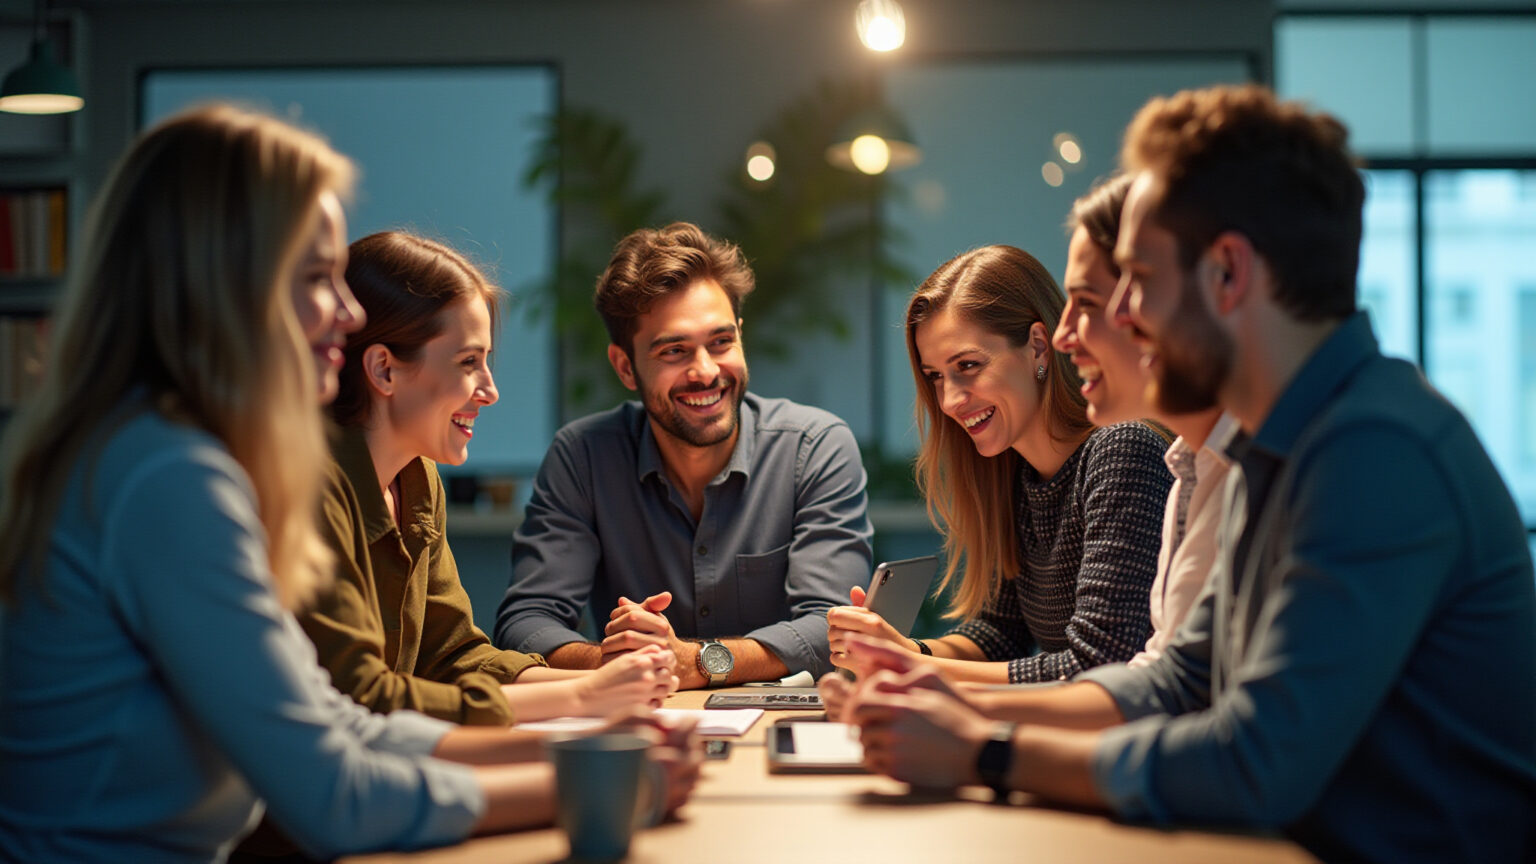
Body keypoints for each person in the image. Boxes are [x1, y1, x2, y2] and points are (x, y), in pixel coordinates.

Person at [840, 85, 1536, 863]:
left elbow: (1255, 762)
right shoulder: (1264, 452)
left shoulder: (1374, 448)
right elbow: (1176, 681)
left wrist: (986, 751)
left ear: (1228, 274)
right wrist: (953, 707)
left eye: (1137, 278)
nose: (1122, 320)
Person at [0, 105, 697, 863]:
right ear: (222, 285)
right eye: (314, 277)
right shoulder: (169, 477)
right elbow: (334, 792)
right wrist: (609, 783)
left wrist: (598, 754)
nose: (351, 311)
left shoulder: (161, 453)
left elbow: (345, 725)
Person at [296, 230, 675, 726]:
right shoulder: (312, 489)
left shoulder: (416, 478)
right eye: (468, 362)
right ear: (384, 369)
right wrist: (584, 697)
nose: (490, 391)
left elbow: (452, 657)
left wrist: (616, 676)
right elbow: (360, 699)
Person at [495, 221, 873, 688]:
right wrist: (616, 662)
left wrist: (694, 662)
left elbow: (833, 628)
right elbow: (525, 623)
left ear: (740, 334)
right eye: (674, 351)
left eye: (721, 342)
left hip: (783, 726)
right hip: (642, 727)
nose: (706, 371)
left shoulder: (814, 447)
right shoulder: (584, 457)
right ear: (625, 367)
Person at [824, 244, 1172, 684]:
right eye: (935, 376)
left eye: (968, 365)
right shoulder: (1014, 471)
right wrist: (902, 648)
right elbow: (999, 635)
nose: (949, 400)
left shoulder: (1123, 451)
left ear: (1039, 348)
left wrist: (911, 666)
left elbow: (1099, 666)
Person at [1051, 174, 1236, 667]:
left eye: (1141, 282)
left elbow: (1242, 724)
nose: (1061, 336)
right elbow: (1164, 675)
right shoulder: (1189, 465)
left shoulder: (1302, 457)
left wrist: (984, 732)